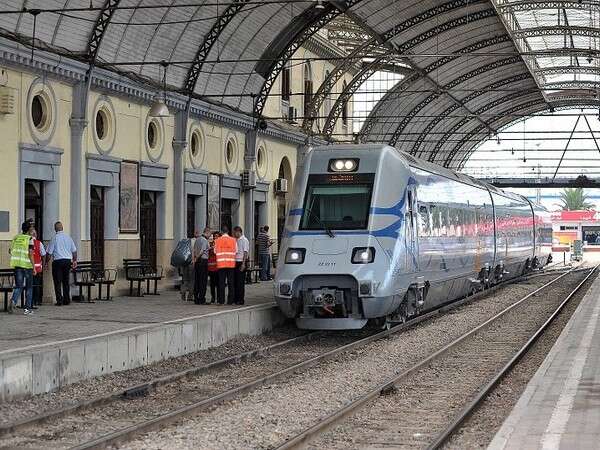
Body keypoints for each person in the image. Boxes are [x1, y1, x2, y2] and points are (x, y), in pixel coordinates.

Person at [46, 221, 77, 306]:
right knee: (66, 281)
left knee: (57, 281)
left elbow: (49, 253)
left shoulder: (54, 238)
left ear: (55, 229)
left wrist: (46, 262)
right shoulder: (68, 237)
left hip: (58, 262)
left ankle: (59, 300)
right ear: (62, 228)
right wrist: (74, 261)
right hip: (67, 261)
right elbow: (74, 251)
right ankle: (67, 300)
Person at [8, 221, 36, 315]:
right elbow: (30, 254)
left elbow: (10, 251)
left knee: (18, 286)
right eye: (31, 227)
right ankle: (27, 309)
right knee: (29, 288)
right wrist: (34, 267)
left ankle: (13, 301)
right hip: (27, 266)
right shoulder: (29, 239)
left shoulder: (16, 237)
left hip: (17, 265)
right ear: (29, 229)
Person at [214, 226, 237, 305]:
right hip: (231, 264)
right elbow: (236, 251)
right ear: (228, 231)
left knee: (221, 283)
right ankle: (230, 301)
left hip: (221, 265)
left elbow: (215, 251)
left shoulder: (217, 240)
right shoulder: (233, 240)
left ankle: (221, 300)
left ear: (221, 232)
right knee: (231, 283)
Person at [193, 227, 211, 304]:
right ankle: (201, 299)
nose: (210, 235)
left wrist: (195, 259)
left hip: (197, 262)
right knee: (203, 281)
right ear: (207, 232)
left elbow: (194, 250)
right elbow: (202, 250)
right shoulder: (204, 240)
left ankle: (196, 298)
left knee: (197, 280)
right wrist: (197, 258)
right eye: (210, 234)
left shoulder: (197, 239)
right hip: (203, 261)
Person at [233, 226, 249, 305]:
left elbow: (245, 252)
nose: (234, 234)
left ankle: (240, 299)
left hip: (241, 262)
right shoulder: (236, 240)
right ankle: (236, 298)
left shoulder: (244, 240)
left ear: (238, 232)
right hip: (235, 261)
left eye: (234, 233)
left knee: (240, 282)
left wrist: (243, 264)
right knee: (235, 281)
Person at [30, 227, 46, 308]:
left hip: (28, 267)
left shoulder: (27, 243)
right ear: (35, 235)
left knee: (29, 285)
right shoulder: (39, 243)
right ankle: (36, 301)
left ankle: (29, 301)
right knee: (36, 285)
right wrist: (43, 264)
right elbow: (43, 254)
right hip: (38, 268)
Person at [179, 231, 197, 302]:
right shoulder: (195, 241)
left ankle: (183, 293)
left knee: (185, 280)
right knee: (192, 280)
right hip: (192, 263)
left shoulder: (184, 241)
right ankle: (190, 296)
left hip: (185, 263)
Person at [207, 232, 220, 303]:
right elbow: (208, 253)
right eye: (214, 236)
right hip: (211, 267)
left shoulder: (220, 244)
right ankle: (213, 297)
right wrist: (211, 248)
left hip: (218, 267)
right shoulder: (210, 244)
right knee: (212, 284)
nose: (215, 237)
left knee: (218, 284)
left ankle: (218, 297)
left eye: (217, 236)